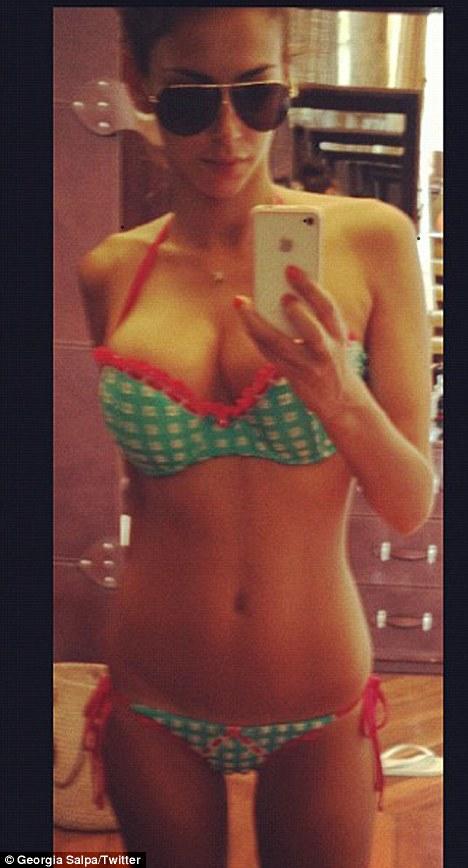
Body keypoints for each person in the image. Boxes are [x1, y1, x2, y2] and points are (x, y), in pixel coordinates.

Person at [79, 8, 433, 867]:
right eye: (190, 100)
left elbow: (409, 504)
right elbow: (146, 492)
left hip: (318, 694)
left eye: (257, 96)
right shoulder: (111, 270)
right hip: (152, 690)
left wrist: (338, 397)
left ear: (289, 85)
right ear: (138, 84)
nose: (228, 134)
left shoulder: (373, 242)